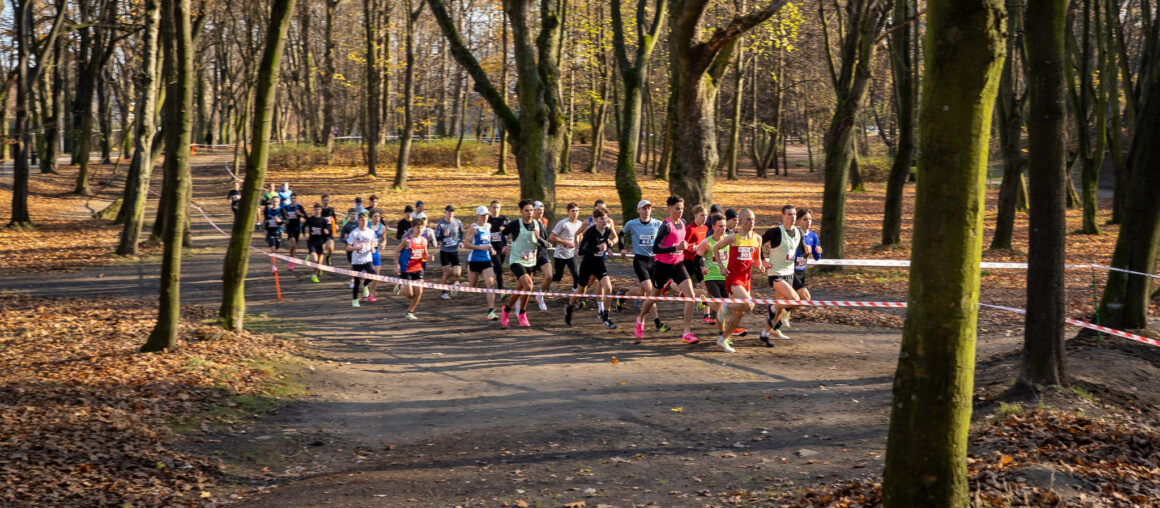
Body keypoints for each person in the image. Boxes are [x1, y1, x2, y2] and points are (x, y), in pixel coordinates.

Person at [633, 196, 699, 344]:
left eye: (681, 209)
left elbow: (682, 242)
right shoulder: (665, 226)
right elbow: (656, 248)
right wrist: (675, 248)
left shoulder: (682, 223)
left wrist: (687, 246)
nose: (680, 211)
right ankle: (641, 318)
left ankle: (686, 333)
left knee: (691, 295)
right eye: (677, 208)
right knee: (654, 296)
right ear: (669, 208)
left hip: (678, 264)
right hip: (662, 266)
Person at [713, 209, 768, 352]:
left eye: (753, 219)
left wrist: (760, 265)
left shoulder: (757, 238)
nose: (751, 222)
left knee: (740, 313)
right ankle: (725, 306)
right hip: (734, 277)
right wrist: (721, 267)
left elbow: (756, 258)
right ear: (741, 221)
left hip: (746, 279)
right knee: (749, 305)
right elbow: (716, 248)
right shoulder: (733, 237)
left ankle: (722, 339)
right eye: (748, 219)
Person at [499, 200, 549, 328]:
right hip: (516, 261)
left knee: (520, 289)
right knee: (529, 286)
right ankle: (522, 313)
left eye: (531, 210)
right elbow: (502, 234)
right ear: (521, 212)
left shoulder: (539, 225)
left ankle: (506, 309)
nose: (529, 213)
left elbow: (546, 244)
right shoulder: (515, 224)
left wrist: (539, 238)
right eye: (526, 210)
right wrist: (504, 246)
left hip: (531, 261)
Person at [618, 200, 665, 332]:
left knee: (641, 292)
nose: (646, 211)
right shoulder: (632, 224)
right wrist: (622, 248)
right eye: (643, 209)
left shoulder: (658, 223)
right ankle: (658, 323)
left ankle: (623, 295)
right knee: (651, 292)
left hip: (654, 261)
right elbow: (621, 234)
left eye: (648, 208)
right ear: (638, 210)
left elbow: (666, 236)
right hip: (640, 261)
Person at [565, 207, 617, 329]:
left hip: (599, 264)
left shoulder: (608, 230)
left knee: (609, 288)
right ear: (595, 220)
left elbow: (608, 242)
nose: (604, 222)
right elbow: (582, 251)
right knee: (581, 291)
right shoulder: (589, 232)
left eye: (605, 219)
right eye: (601, 219)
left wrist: (609, 246)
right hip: (587, 264)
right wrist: (597, 249)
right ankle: (569, 309)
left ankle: (606, 317)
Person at [761, 205, 804, 343]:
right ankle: (773, 306)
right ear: (783, 216)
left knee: (780, 309)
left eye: (794, 215)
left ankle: (764, 334)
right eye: (789, 214)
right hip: (776, 273)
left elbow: (802, 252)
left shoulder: (799, 232)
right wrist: (763, 261)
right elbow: (757, 244)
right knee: (795, 299)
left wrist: (809, 251)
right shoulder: (775, 231)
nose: (793, 217)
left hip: (790, 273)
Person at [785, 207, 821, 328]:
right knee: (805, 297)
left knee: (797, 300)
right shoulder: (795, 234)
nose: (808, 222)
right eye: (805, 219)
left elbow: (816, 257)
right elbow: (788, 252)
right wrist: (803, 252)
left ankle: (778, 321)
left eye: (810, 219)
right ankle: (783, 313)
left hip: (802, 271)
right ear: (799, 221)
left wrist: (818, 252)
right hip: (791, 271)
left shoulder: (813, 236)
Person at [465, 206, 500, 320]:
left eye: (486, 215)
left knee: (490, 284)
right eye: (483, 215)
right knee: (472, 287)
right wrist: (479, 247)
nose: (485, 217)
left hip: (486, 260)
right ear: (477, 215)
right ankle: (457, 286)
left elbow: (488, 242)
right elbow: (466, 244)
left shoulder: (488, 226)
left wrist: (491, 248)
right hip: (474, 260)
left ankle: (491, 311)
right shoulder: (474, 228)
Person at [695, 214, 729, 325]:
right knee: (720, 303)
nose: (722, 229)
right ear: (713, 227)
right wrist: (703, 266)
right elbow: (697, 258)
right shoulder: (707, 242)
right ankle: (723, 332)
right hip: (711, 276)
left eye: (724, 226)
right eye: (720, 226)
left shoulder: (729, 240)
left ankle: (706, 301)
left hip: (725, 276)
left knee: (726, 303)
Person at [395, 216, 431, 320]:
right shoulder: (407, 241)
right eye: (418, 227)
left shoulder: (424, 241)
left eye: (421, 228)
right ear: (413, 228)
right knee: (410, 294)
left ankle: (410, 312)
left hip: (418, 269)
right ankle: (400, 285)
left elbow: (424, 256)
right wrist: (397, 265)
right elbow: (396, 252)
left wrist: (429, 257)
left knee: (419, 292)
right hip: (406, 270)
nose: (420, 230)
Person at [682, 204, 709, 319]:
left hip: (698, 261)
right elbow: (683, 245)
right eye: (702, 215)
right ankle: (670, 284)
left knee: (707, 287)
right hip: (688, 260)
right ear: (695, 215)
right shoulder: (690, 229)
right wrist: (693, 247)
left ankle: (706, 315)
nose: (705, 218)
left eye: (706, 215)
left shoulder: (705, 228)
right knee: (686, 289)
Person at [549, 203, 583, 294]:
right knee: (558, 277)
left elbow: (580, 236)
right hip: (560, 254)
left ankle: (575, 292)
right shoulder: (563, 223)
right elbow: (552, 237)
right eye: (573, 211)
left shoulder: (580, 224)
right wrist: (566, 242)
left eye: (576, 211)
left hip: (572, 254)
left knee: (576, 274)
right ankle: (547, 282)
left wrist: (579, 245)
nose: (575, 213)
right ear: (568, 212)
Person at [346, 212, 377, 307]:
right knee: (356, 281)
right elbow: (348, 248)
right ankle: (355, 300)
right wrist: (356, 248)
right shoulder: (354, 233)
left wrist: (372, 248)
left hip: (367, 258)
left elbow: (372, 242)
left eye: (366, 220)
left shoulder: (370, 232)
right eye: (362, 220)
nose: (364, 222)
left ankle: (365, 285)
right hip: (356, 260)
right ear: (358, 221)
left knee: (373, 273)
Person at [435, 205, 465, 300]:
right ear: (445, 213)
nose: (451, 213)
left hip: (454, 250)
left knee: (457, 273)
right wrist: (443, 236)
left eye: (452, 212)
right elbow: (436, 237)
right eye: (449, 212)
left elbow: (462, 232)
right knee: (446, 273)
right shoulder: (441, 224)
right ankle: (443, 292)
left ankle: (453, 285)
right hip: (444, 251)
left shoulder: (457, 222)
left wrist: (461, 241)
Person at [530, 201, 554, 310]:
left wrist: (546, 242)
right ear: (533, 210)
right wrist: (544, 242)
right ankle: (518, 301)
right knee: (527, 282)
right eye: (538, 210)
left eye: (542, 210)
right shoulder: (529, 222)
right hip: (530, 252)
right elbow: (535, 237)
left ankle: (540, 296)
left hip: (542, 252)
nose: (540, 212)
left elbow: (543, 236)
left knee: (549, 275)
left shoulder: (545, 221)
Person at [304, 204, 333, 283]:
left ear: (321, 210)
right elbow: (303, 226)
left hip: (320, 242)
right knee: (314, 259)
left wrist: (326, 232)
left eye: (319, 209)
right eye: (316, 209)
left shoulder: (323, 220)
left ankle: (314, 275)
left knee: (319, 262)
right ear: (314, 210)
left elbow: (327, 230)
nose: (317, 211)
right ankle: (309, 256)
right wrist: (304, 235)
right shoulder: (310, 219)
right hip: (312, 242)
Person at [486, 200, 509, 290]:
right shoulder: (487, 219)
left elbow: (509, 229)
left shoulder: (504, 219)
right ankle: (501, 289)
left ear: (500, 209)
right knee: (499, 269)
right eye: (494, 207)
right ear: (490, 208)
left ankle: (488, 274)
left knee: (498, 268)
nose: (495, 209)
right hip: (491, 246)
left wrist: (505, 229)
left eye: (497, 208)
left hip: (501, 247)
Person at [280, 193, 306, 270]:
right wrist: (284, 221)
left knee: (294, 246)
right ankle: (291, 261)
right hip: (289, 228)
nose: (293, 200)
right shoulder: (285, 208)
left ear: (296, 199)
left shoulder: (299, 207)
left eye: (294, 198)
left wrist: (299, 214)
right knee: (293, 244)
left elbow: (306, 217)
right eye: (292, 198)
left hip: (297, 228)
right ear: (290, 199)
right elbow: (282, 218)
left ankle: (291, 258)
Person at [367, 210, 388, 301]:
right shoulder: (366, 226)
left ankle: (371, 295)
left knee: (377, 274)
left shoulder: (382, 227)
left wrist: (383, 243)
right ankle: (365, 287)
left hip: (375, 252)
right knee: (365, 275)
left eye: (378, 216)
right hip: (366, 252)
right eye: (375, 216)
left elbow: (384, 239)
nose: (377, 218)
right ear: (371, 217)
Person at [339, 208, 360, 288]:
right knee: (351, 264)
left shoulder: (359, 224)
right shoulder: (346, 226)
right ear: (348, 215)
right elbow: (341, 237)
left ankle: (357, 278)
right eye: (352, 214)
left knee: (358, 264)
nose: (353, 216)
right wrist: (347, 242)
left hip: (358, 247)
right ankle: (352, 279)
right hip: (350, 248)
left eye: (355, 214)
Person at [320, 194, 337, 265]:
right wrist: (323, 228)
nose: (326, 202)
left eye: (327, 200)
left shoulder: (331, 209)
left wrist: (335, 224)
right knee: (321, 251)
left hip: (329, 232)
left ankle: (328, 257)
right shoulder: (320, 210)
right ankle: (319, 267)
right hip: (321, 233)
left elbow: (334, 217)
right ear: (321, 201)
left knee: (330, 248)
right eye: (324, 200)